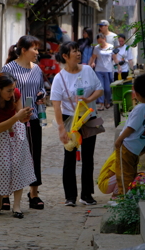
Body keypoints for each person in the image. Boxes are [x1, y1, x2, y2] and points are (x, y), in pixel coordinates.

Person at [50, 41, 103, 207]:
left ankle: (87, 195)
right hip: (69, 119)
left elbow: (99, 88)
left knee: (88, 156)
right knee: (70, 156)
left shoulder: (87, 70)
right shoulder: (59, 78)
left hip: (88, 116)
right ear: (65, 56)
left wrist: (89, 99)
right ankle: (70, 196)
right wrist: (60, 128)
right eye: (74, 51)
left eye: (78, 51)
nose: (78, 54)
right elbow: (56, 105)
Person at [0, 72, 36, 218]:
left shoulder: (15, 94)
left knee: (18, 166)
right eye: (9, 90)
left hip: (16, 132)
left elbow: (21, 117)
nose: (12, 93)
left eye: (13, 89)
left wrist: (24, 115)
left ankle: (17, 206)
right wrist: (17, 117)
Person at [1, 35, 46, 210]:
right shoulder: (9, 68)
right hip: (13, 119)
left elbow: (41, 88)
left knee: (34, 156)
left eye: (37, 49)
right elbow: (2, 92)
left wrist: (42, 96)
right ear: (23, 50)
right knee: (11, 157)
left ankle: (34, 193)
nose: (37, 52)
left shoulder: (37, 69)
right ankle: (5, 195)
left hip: (33, 118)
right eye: (34, 49)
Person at [98, 73, 145, 196]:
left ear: (136, 93)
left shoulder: (139, 108)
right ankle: (127, 195)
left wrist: (119, 140)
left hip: (127, 146)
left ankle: (123, 197)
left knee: (123, 174)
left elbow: (131, 127)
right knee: (130, 172)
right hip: (137, 148)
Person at [89, 34, 114, 110]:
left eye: (101, 41)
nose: (100, 43)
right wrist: (89, 64)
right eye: (98, 41)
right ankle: (101, 104)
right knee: (100, 87)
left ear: (105, 39)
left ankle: (108, 101)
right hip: (99, 70)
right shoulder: (96, 48)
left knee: (107, 88)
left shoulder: (111, 47)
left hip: (108, 70)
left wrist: (119, 66)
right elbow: (93, 57)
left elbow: (115, 58)